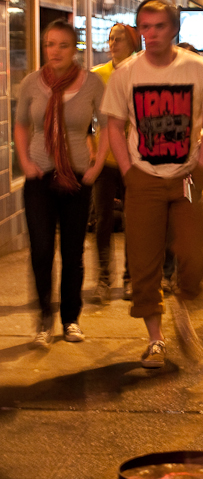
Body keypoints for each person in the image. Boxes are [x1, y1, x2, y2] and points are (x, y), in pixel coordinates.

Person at [101, 0, 203, 368]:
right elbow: (113, 125)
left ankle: (183, 297)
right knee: (143, 260)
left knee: (193, 253)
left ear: (174, 30)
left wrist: (200, 165)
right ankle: (156, 340)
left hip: (186, 177)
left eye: (159, 26)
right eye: (144, 26)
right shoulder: (126, 73)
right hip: (144, 179)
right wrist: (127, 170)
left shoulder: (200, 70)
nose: (150, 34)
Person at [14, 19, 108, 347]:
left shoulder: (93, 84)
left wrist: (97, 165)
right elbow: (22, 124)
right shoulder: (30, 83)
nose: (55, 51)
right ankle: (43, 318)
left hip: (77, 177)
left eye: (63, 45)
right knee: (41, 250)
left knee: (72, 251)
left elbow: (109, 125)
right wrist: (24, 161)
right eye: (49, 44)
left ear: (75, 48)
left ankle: (70, 319)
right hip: (40, 176)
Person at [91, 23, 139, 304]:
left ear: (132, 42)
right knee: (102, 221)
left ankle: (131, 278)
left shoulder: (142, 72)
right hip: (105, 160)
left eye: (119, 38)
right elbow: (85, 114)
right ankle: (103, 279)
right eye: (110, 38)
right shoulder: (98, 76)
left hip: (134, 159)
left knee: (134, 221)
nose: (112, 42)